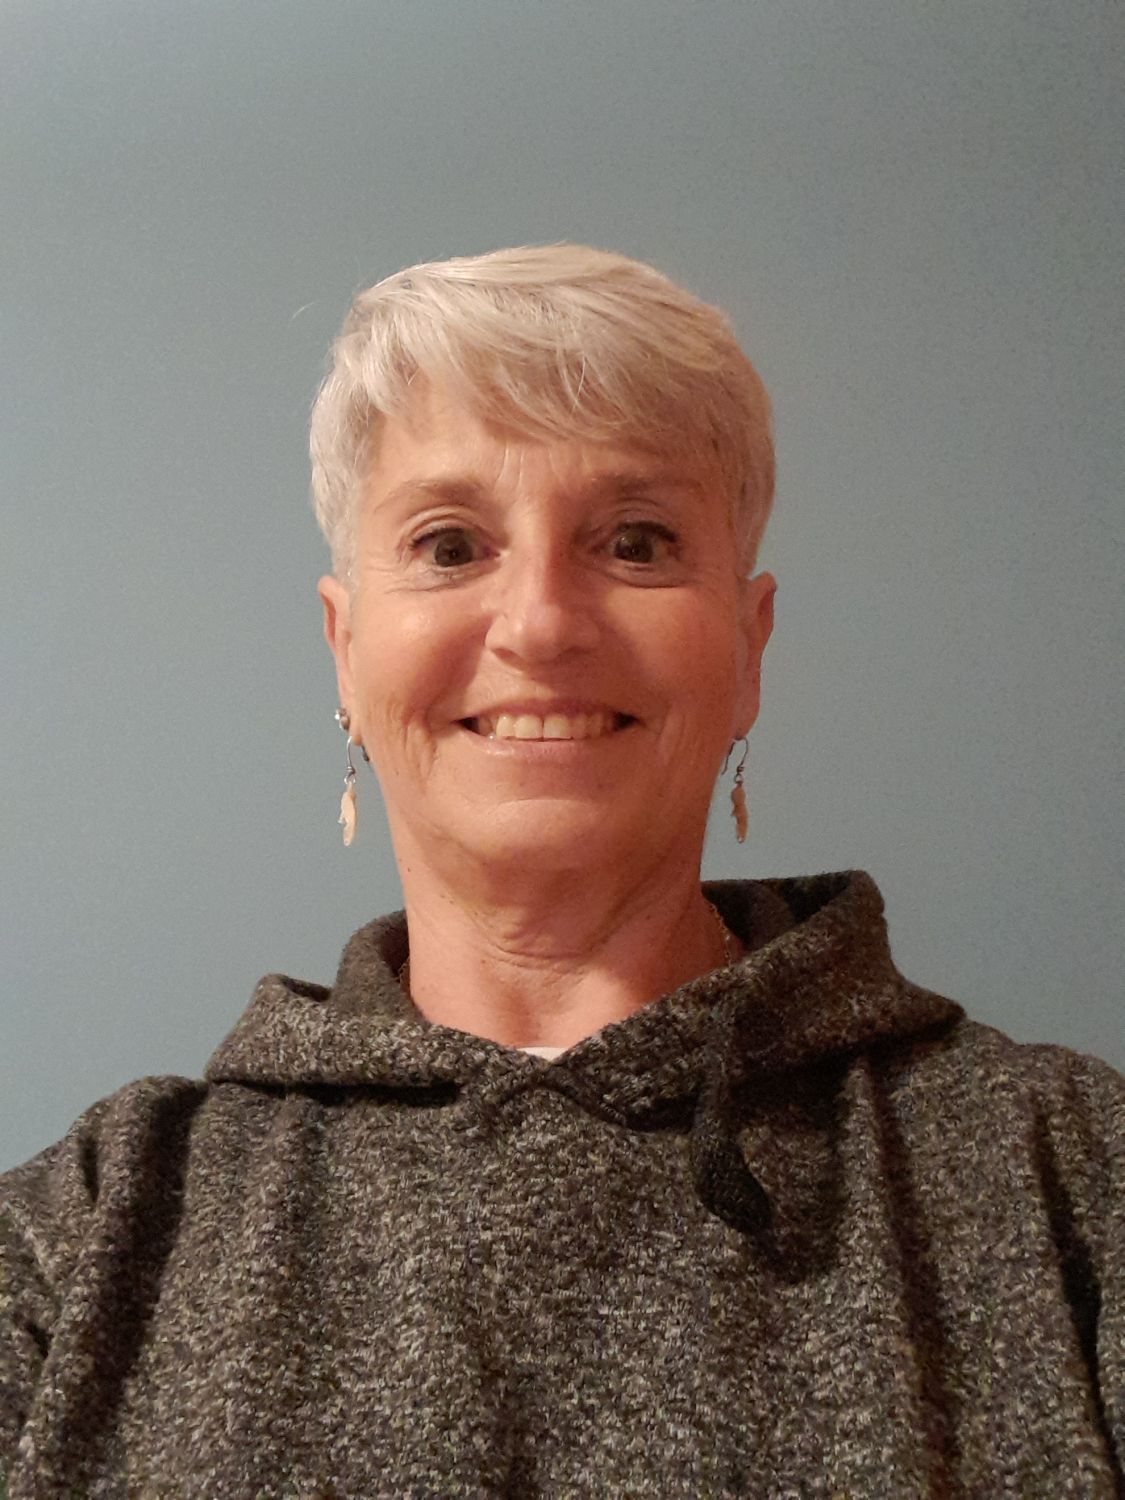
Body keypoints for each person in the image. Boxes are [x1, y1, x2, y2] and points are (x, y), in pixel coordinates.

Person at [1, 244, 1121, 1498]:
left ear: (747, 649)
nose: (539, 623)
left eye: (636, 541)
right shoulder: (77, 1242)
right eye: (448, 545)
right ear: (345, 651)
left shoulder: (1078, 1180)